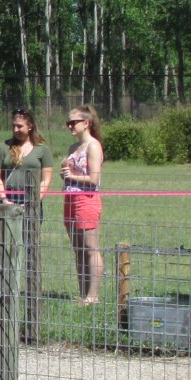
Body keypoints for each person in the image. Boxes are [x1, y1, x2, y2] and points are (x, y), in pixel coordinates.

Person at [60, 106, 105, 305]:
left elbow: (94, 179)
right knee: (78, 249)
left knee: (90, 248)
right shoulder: (73, 148)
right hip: (70, 199)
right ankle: (82, 293)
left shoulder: (93, 146)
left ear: (86, 123)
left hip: (86, 200)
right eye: (68, 123)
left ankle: (93, 296)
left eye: (74, 122)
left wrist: (74, 175)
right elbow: (71, 174)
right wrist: (66, 173)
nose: (70, 126)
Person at [0, 109, 53, 207]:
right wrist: (4, 199)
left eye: (19, 126)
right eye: (14, 126)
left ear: (30, 126)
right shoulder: (3, 146)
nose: (15, 129)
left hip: (32, 198)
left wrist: (34, 201)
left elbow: (46, 180)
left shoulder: (43, 149)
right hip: (7, 198)